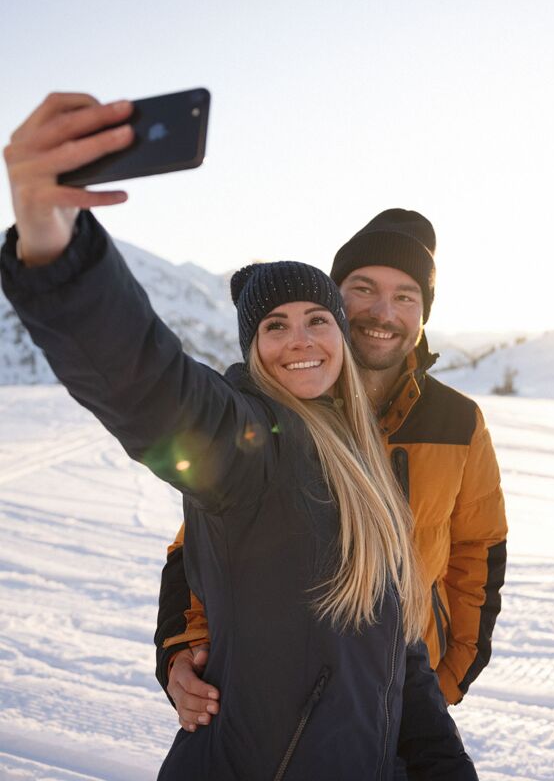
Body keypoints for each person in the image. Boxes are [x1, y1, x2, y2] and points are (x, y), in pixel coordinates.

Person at [1, 92, 478, 781]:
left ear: (341, 338)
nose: (301, 340)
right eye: (274, 326)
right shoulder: (252, 445)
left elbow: (398, 659)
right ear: (253, 350)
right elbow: (148, 386)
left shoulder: (362, 463)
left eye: (318, 318)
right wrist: (53, 244)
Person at [158, 208, 509, 738]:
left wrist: (447, 680)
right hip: (275, 701)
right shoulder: (278, 412)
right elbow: (201, 546)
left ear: (423, 313)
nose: (382, 312)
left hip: (405, 700)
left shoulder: (458, 421)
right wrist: (183, 652)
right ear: (333, 301)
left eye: (406, 296)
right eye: (363, 289)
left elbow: (478, 550)